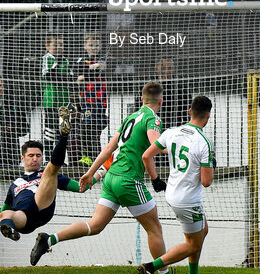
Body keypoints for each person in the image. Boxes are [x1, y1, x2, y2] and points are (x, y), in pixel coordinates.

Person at [29, 80, 168, 268]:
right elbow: (155, 144)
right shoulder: (152, 118)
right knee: (154, 229)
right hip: (128, 180)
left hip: (110, 179)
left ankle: (49, 239)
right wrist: (176, 147)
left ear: (142, 98)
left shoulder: (130, 117)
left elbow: (109, 147)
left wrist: (89, 173)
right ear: (161, 101)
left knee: (94, 225)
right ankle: (163, 272)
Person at [0, 113, 102, 246]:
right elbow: (0, 215)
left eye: (38, 156)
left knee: (49, 171)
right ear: (23, 158)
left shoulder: (47, 175)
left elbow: (80, 187)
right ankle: (12, 231)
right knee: (5, 215)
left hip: (42, 208)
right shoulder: (15, 184)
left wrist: (102, 172)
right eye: (31, 155)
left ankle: (63, 135)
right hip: (24, 219)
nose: (35, 159)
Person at [139, 94, 215, 274]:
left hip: (172, 193)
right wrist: (210, 165)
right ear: (208, 116)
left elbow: (146, 156)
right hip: (188, 200)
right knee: (193, 245)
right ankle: (152, 267)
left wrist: (155, 179)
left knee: (203, 229)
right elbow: (206, 182)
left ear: (190, 112)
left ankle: (192, 272)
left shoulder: (171, 132)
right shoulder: (205, 142)